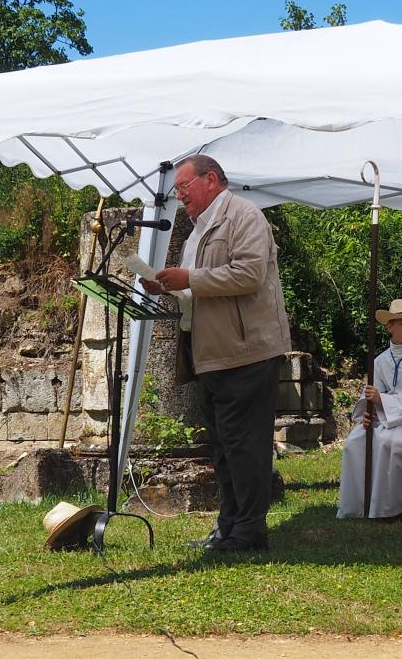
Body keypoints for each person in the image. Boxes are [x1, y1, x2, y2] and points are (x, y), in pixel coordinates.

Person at [140, 155, 292, 552]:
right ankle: (228, 526)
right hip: (211, 352)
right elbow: (199, 290)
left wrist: (188, 277)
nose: (180, 196)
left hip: (246, 351)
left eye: (184, 187)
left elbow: (249, 274)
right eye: (176, 190)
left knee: (245, 445)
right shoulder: (197, 231)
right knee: (223, 446)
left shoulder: (245, 216)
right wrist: (168, 286)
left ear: (211, 180)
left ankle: (250, 530)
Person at [337, 299, 402, 519]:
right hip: (384, 416)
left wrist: (382, 402)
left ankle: (388, 506)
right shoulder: (381, 360)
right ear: (389, 326)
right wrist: (368, 413)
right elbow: (371, 394)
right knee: (354, 442)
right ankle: (358, 505)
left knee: (387, 443)